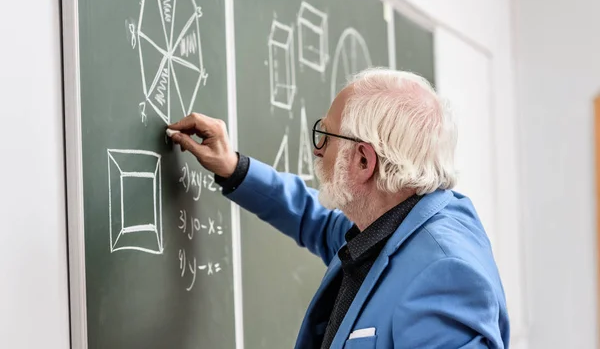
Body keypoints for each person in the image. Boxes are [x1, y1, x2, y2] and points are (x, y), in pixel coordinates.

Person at [168, 68, 510, 348]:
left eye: (326, 137)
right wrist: (234, 168)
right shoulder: (390, 222)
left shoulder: (445, 273)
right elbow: (313, 220)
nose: (318, 151)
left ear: (363, 160)